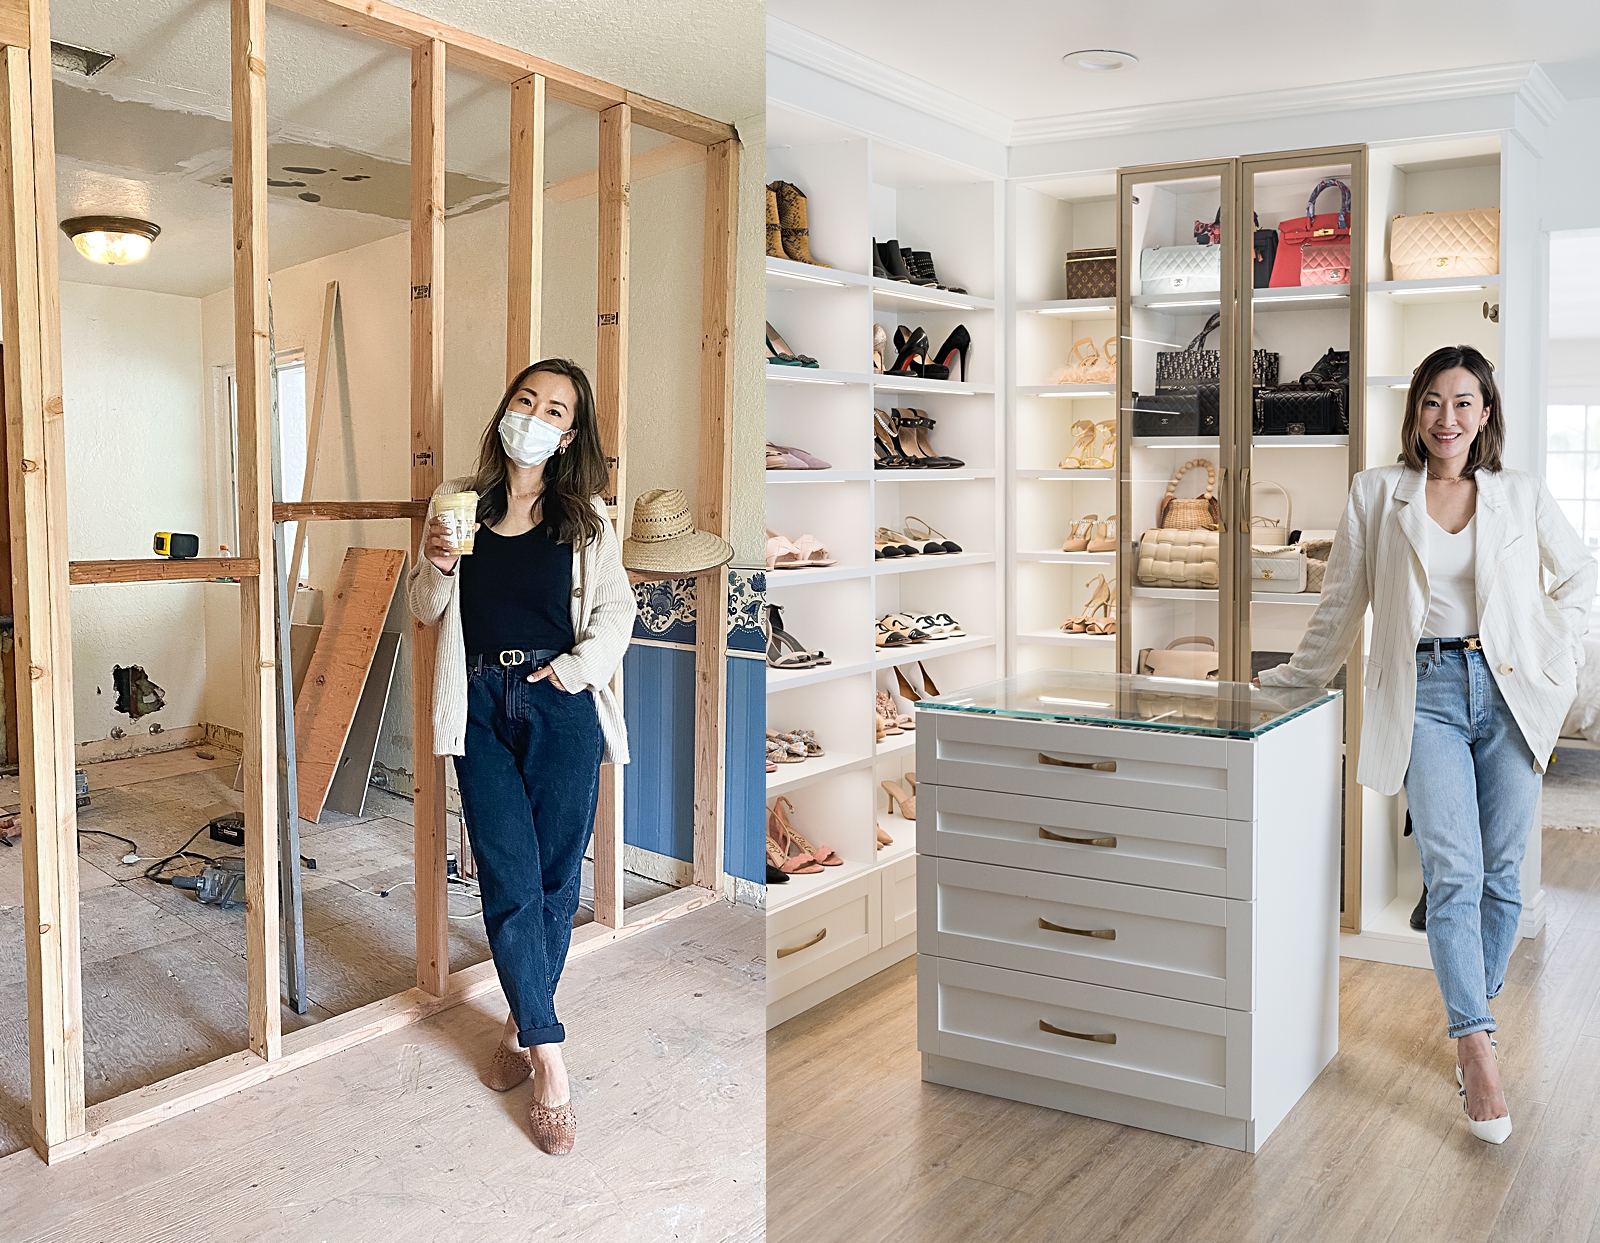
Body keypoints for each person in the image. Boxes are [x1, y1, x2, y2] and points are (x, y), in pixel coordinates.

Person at [1258, 344, 1595, 1144]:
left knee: (1506, 879)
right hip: (1427, 693)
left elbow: (1579, 577)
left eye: (1465, 402)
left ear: (1486, 415)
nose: (1449, 418)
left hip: (1510, 690)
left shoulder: (1519, 493)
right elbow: (1341, 603)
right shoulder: (1377, 493)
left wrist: (1556, 652)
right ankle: (1477, 1050)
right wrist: (1293, 681)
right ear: (1416, 413)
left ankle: (1471, 1015)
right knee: (1455, 870)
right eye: (1434, 402)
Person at [408, 358, 634, 1155]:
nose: (534, 416)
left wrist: (571, 673)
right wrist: (435, 561)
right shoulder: (458, 506)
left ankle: (516, 1024)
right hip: (477, 703)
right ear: (507, 409)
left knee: (554, 879)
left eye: (553, 409)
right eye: (525, 400)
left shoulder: (589, 520)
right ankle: (551, 1058)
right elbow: (424, 609)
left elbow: (616, 612)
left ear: (570, 432)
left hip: (560, 701)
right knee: (507, 873)